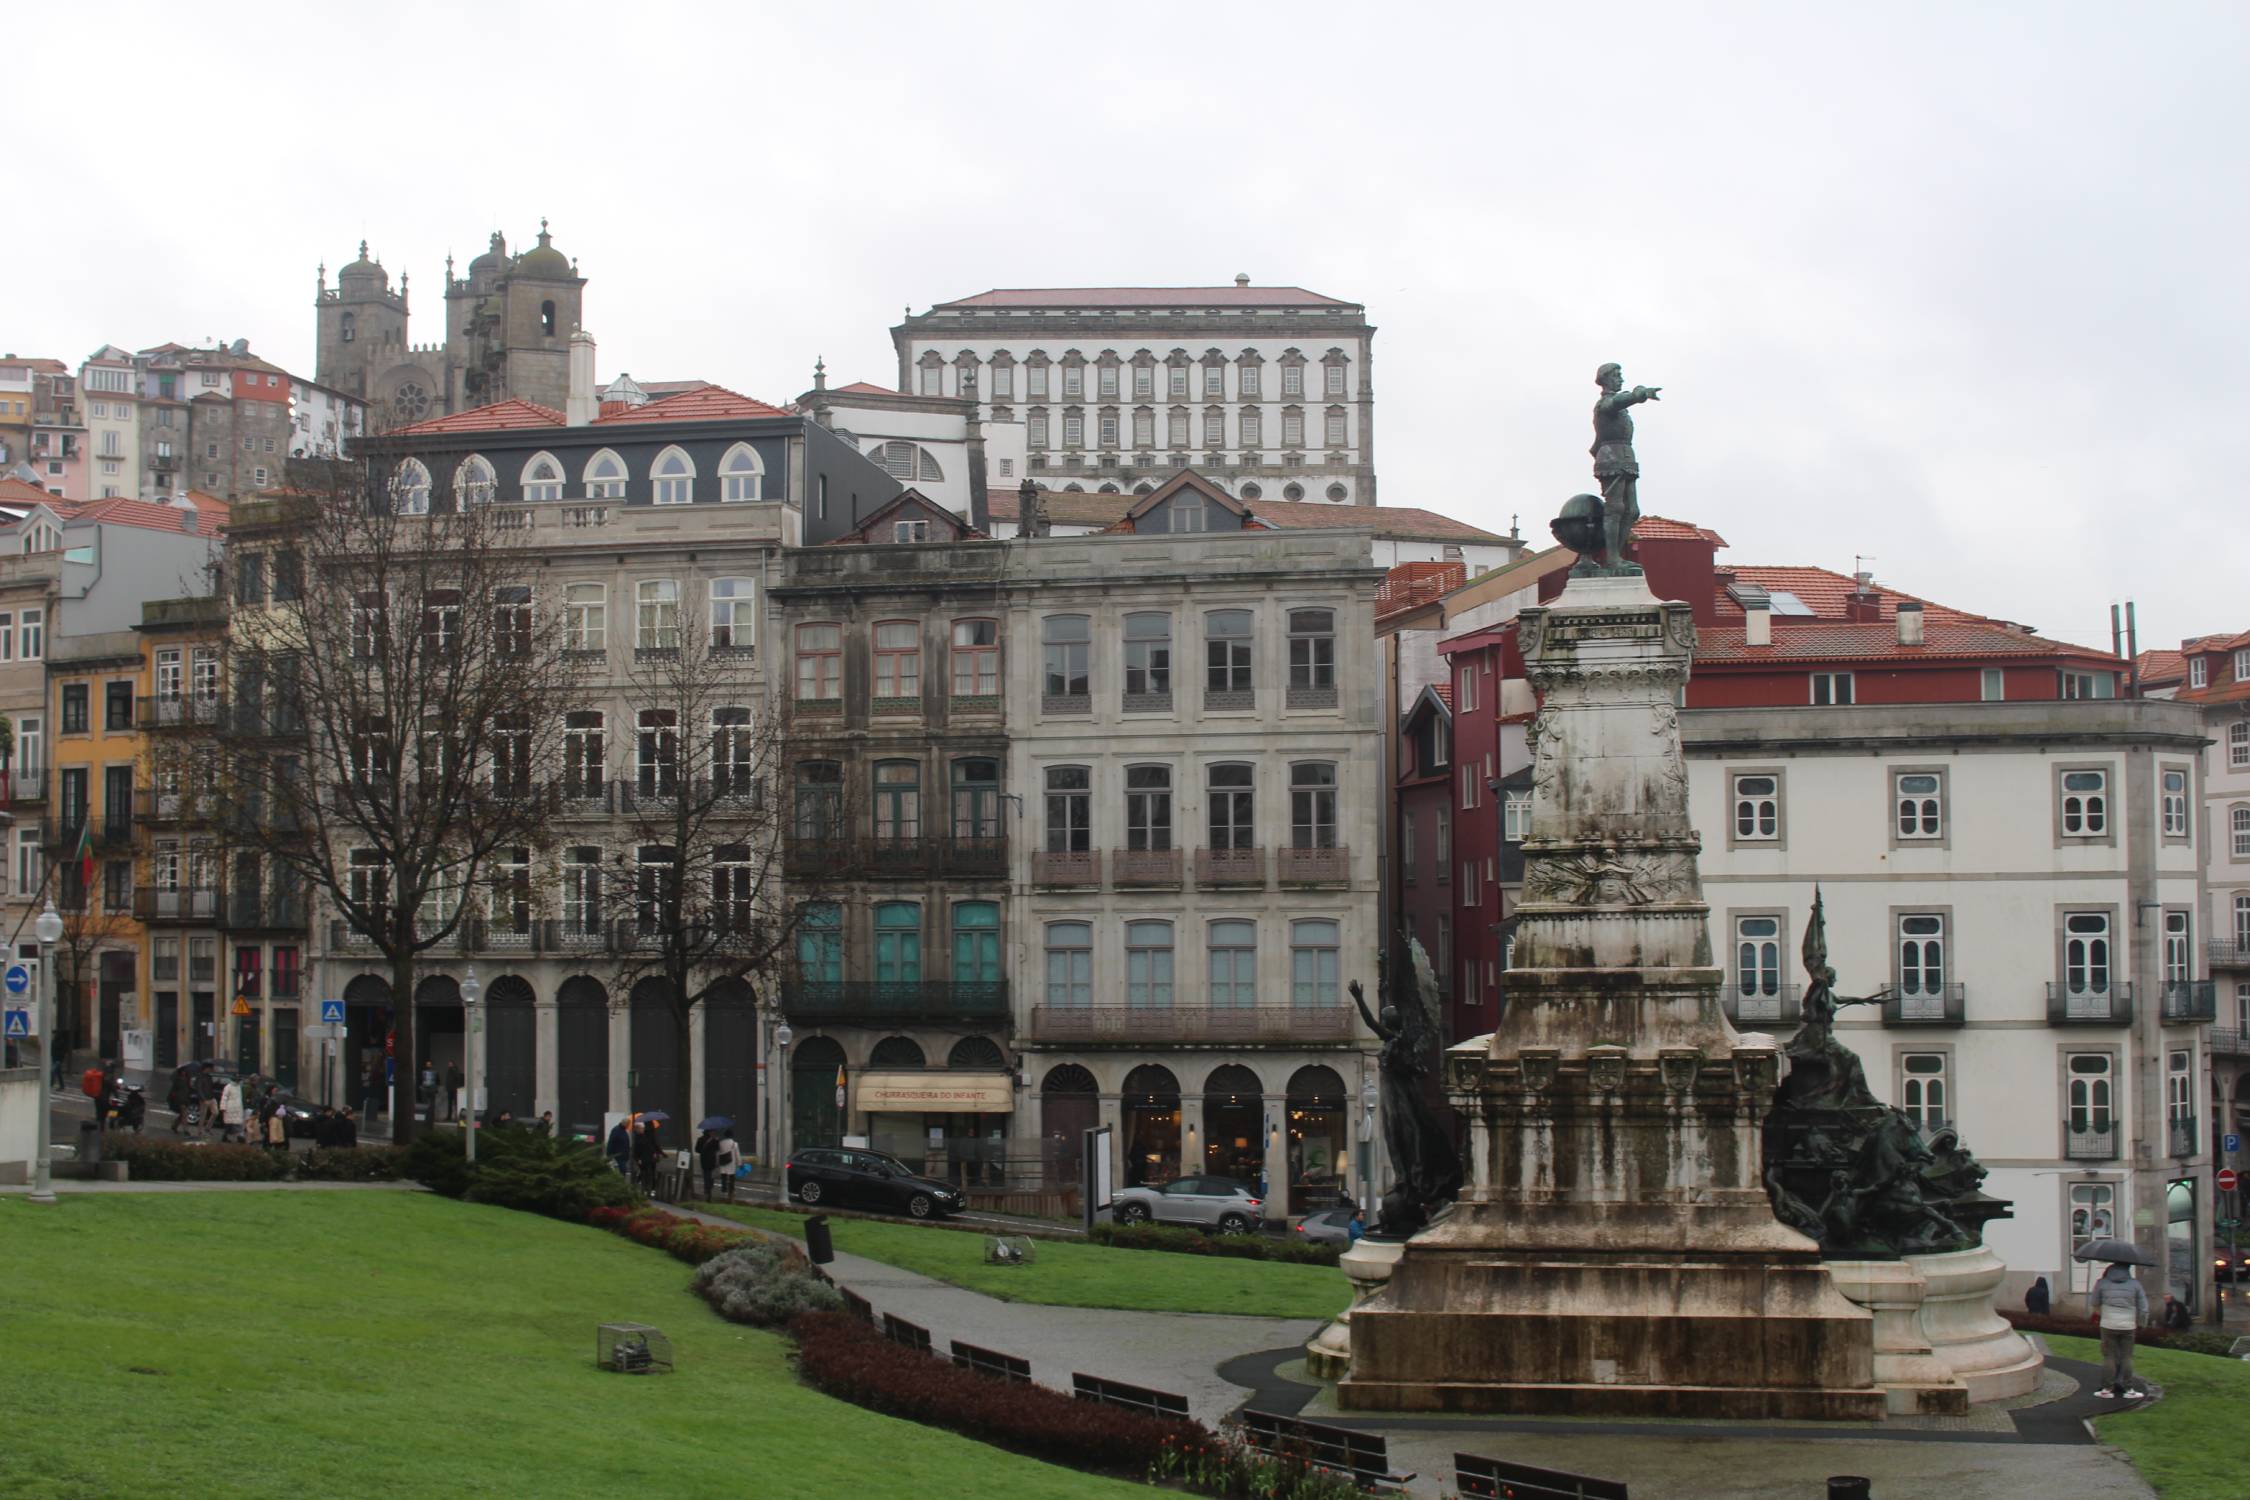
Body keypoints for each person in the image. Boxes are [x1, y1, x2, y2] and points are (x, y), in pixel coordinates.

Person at [2089, 1261, 2151, 1400]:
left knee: (2109, 1356)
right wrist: (2142, 1323)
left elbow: (2094, 1302)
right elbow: (2144, 1307)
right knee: (2127, 1357)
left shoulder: (2102, 1283)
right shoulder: (2135, 1284)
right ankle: (2128, 1388)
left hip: (2108, 1323)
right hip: (2128, 1325)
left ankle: (2107, 1389)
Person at [633, 1119, 661, 1195]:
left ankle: (648, 1188)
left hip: (648, 1157)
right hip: (647, 1158)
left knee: (648, 1173)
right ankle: (649, 1189)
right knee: (648, 1173)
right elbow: (639, 1148)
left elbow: (652, 1146)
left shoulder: (645, 1136)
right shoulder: (645, 1136)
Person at [694, 1128, 720, 1202]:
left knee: (706, 1176)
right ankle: (708, 1191)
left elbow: (697, 1150)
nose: (714, 1132)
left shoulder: (700, 1139)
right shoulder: (715, 1140)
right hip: (712, 1161)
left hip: (704, 1160)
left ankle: (707, 1191)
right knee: (710, 1176)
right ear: (710, 1132)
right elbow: (717, 1149)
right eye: (713, 1131)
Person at [715, 1131, 741, 1201]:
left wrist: (717, 1163)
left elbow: (717, 1154)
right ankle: (731, 1192)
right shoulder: (734, 1144)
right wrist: (739, 1163)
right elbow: (737, 1155)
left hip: (723, 1163)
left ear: (725, 1135)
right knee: (732, 1178)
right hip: (731, 1164)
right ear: (732, 1135)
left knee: (723, 1177)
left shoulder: (720, 1143)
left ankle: (724, 1190)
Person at [166, 1067, 190, 1135]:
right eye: (183, 1071)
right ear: (180, 1072)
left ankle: (174, 1125)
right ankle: (186, 1130)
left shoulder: (187, 1079)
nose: (184, 1072)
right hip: (179, 1099)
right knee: (185, 1114)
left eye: (185, 1071)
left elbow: (188, 1089)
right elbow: (173, 1090)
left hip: (185, 1099)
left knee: (182, 1115)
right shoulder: (177, 1080)